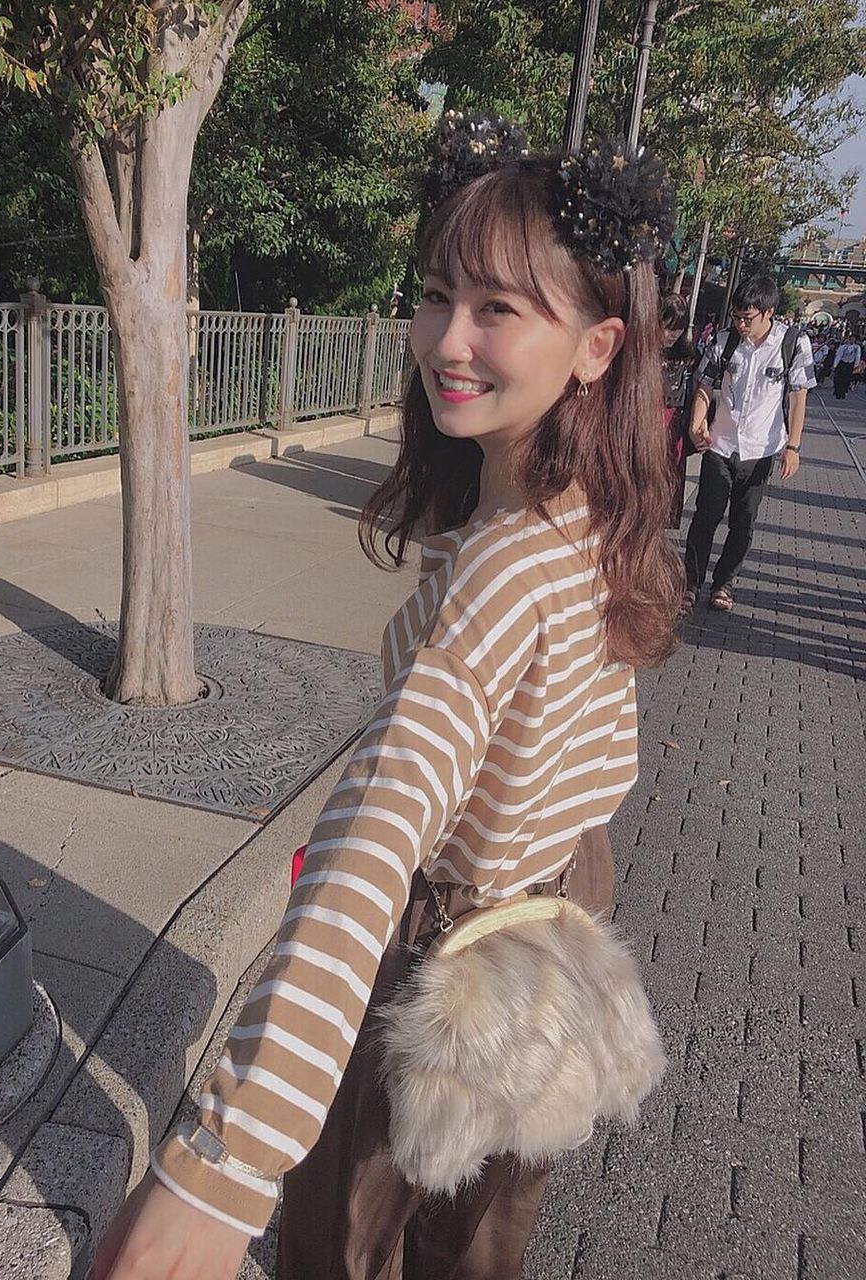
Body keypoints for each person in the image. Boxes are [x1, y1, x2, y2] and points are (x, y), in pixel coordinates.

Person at [88, 121, 681, 1280]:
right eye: (435, 294)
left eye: (497, 309)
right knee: (476, 1234)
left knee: (341, 1235)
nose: (446, 340)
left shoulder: (504, 565)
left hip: (449, 944)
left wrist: (224, 1162)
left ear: (596, 345)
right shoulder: (594, 510)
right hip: (560, 900)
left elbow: (378, 826)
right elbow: (588, 744)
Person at [682, 274, 815, 615]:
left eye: (747, 318)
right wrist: (697, 422)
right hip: (720, 445)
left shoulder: (793, 343)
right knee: (705, 517)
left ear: (769, 312)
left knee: (743, 523)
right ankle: (690, 584)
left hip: (761, 451)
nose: (741, 324)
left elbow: (798, 397)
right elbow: (704, 384)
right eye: (737, 317)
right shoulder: (724, 341)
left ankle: (724, 583)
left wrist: (793, 447)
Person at [660, 292, 697, 528]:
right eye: (669, 327)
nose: (673, 334)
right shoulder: (639, 353)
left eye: (679, 328)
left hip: (672, 427)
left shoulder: (687, 357)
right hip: (643, 425)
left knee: (665, 485)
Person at [831, 331, 861, 399]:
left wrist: (856, 365)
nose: (852, 341)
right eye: (851, 339)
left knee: (846, 380)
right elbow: (839, 356)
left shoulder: (857, 348)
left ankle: (843, 392)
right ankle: (837, 392)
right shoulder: (843, 347)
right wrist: (835, 365)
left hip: (850, 365)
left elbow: (857, 356)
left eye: (853, 340)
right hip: (842, 364)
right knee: (838, 378)